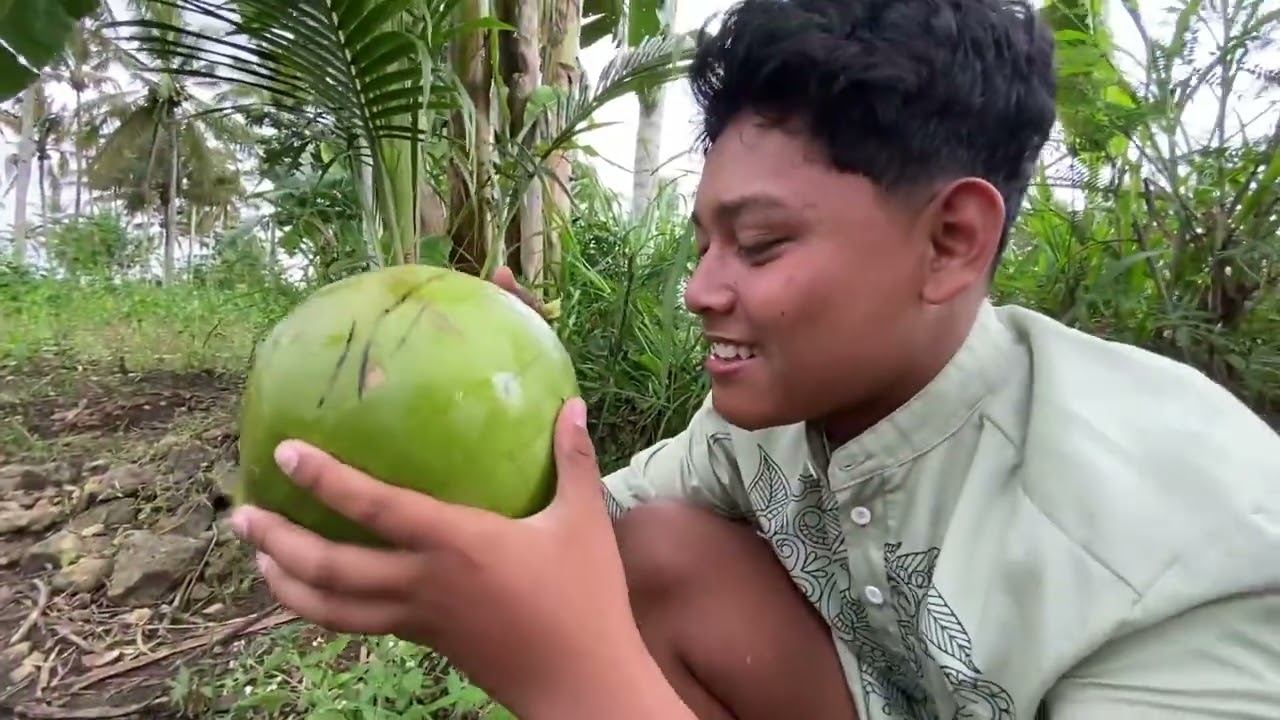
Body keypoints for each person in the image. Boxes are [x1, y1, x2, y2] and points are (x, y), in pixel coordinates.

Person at [228, 0, 1280, 718]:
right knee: (656, 556)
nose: (699, 290)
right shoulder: (770, 427)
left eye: (760, 244)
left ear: (950, 240)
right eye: (701, 244)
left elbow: (572, 648)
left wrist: (572, 677)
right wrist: (502, 408)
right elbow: (571, 540)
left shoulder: (1191, 548)